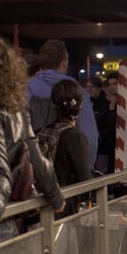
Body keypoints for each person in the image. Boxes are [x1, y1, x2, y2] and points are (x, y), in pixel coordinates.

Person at [0, 34, 64, 244]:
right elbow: (39, 162)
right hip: (6, 218)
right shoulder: (16, 111)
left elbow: (0, 172)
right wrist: (56, 197)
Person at [26, 39, 98, 166]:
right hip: (68, 174)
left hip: (34, 170)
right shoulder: (77, 91)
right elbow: (90, 140)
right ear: (64, 63)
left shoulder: (26, 89)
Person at [44, 80, 93, 217]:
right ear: (80, 106)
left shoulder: (43, 131)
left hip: (41, 205)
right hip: (65, 209)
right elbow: (85, 180)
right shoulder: (75, 136)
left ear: (54, 105)